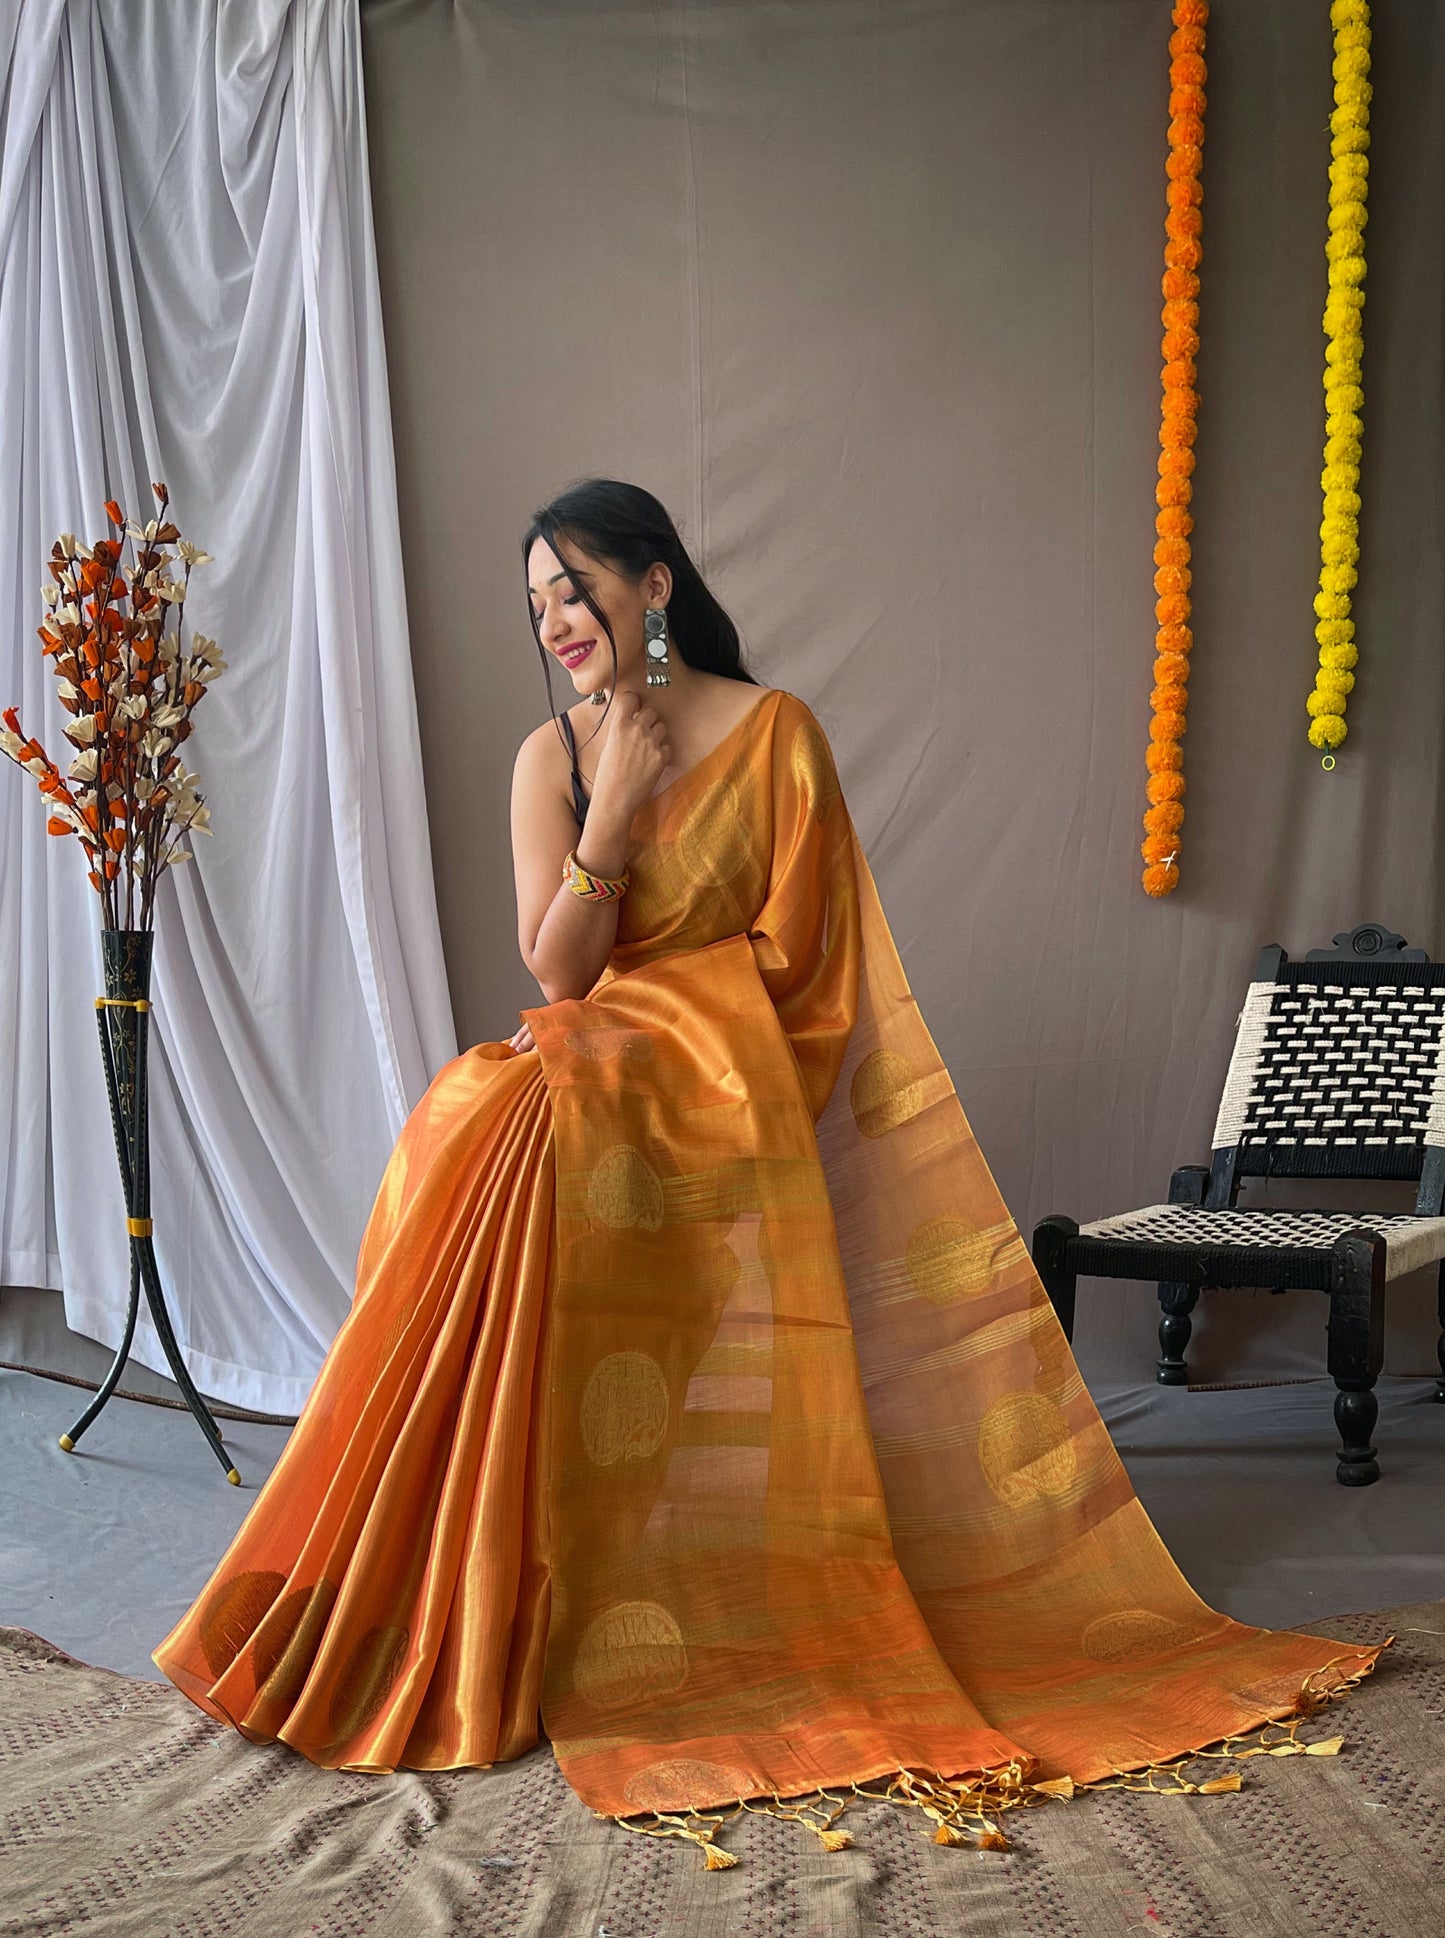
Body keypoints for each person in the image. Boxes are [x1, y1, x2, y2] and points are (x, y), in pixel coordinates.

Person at [154, 479, 1381, 1865]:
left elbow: (814, 972)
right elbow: (553, 969)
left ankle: (608, 1587)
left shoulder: (776, 733)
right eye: (537, 600)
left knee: (519, 1127)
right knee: (470, 1124)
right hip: (584, 1084)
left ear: (655, 581)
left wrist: (675, 1042)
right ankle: (475, 1594)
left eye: (576, 585)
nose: (556, 618)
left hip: (726, 1103)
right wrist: (612, 806)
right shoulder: (546, 759)